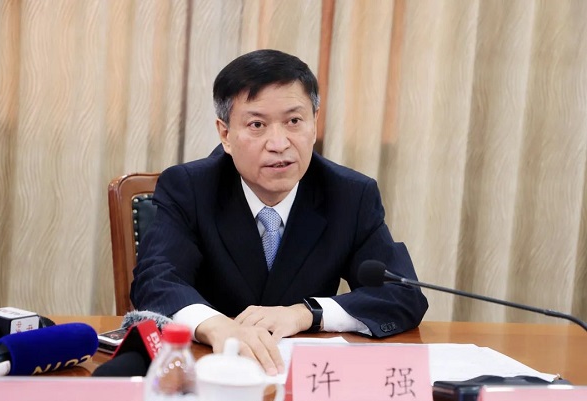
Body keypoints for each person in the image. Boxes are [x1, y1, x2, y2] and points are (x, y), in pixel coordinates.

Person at [130, 49, 428, 376]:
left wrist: (306, 313)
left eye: (294, 121)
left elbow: (402, 295)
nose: (279, 143)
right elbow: (156, 279)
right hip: (208, 370)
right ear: (225, 134)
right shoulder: (190, 187)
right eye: (257, 124)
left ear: (314, 123)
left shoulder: (350, 195)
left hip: (302, 377)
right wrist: (217, 326)